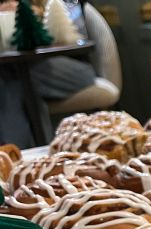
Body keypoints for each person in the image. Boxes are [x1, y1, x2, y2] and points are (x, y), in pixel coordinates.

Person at [0, 0, 97, 147]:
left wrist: (31, 13)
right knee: (14, 79)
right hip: (21, 68)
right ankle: (31, 156)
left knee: (16, 78)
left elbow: (70, 25)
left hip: (76, 68)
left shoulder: (58, 4)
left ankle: (21, 155)